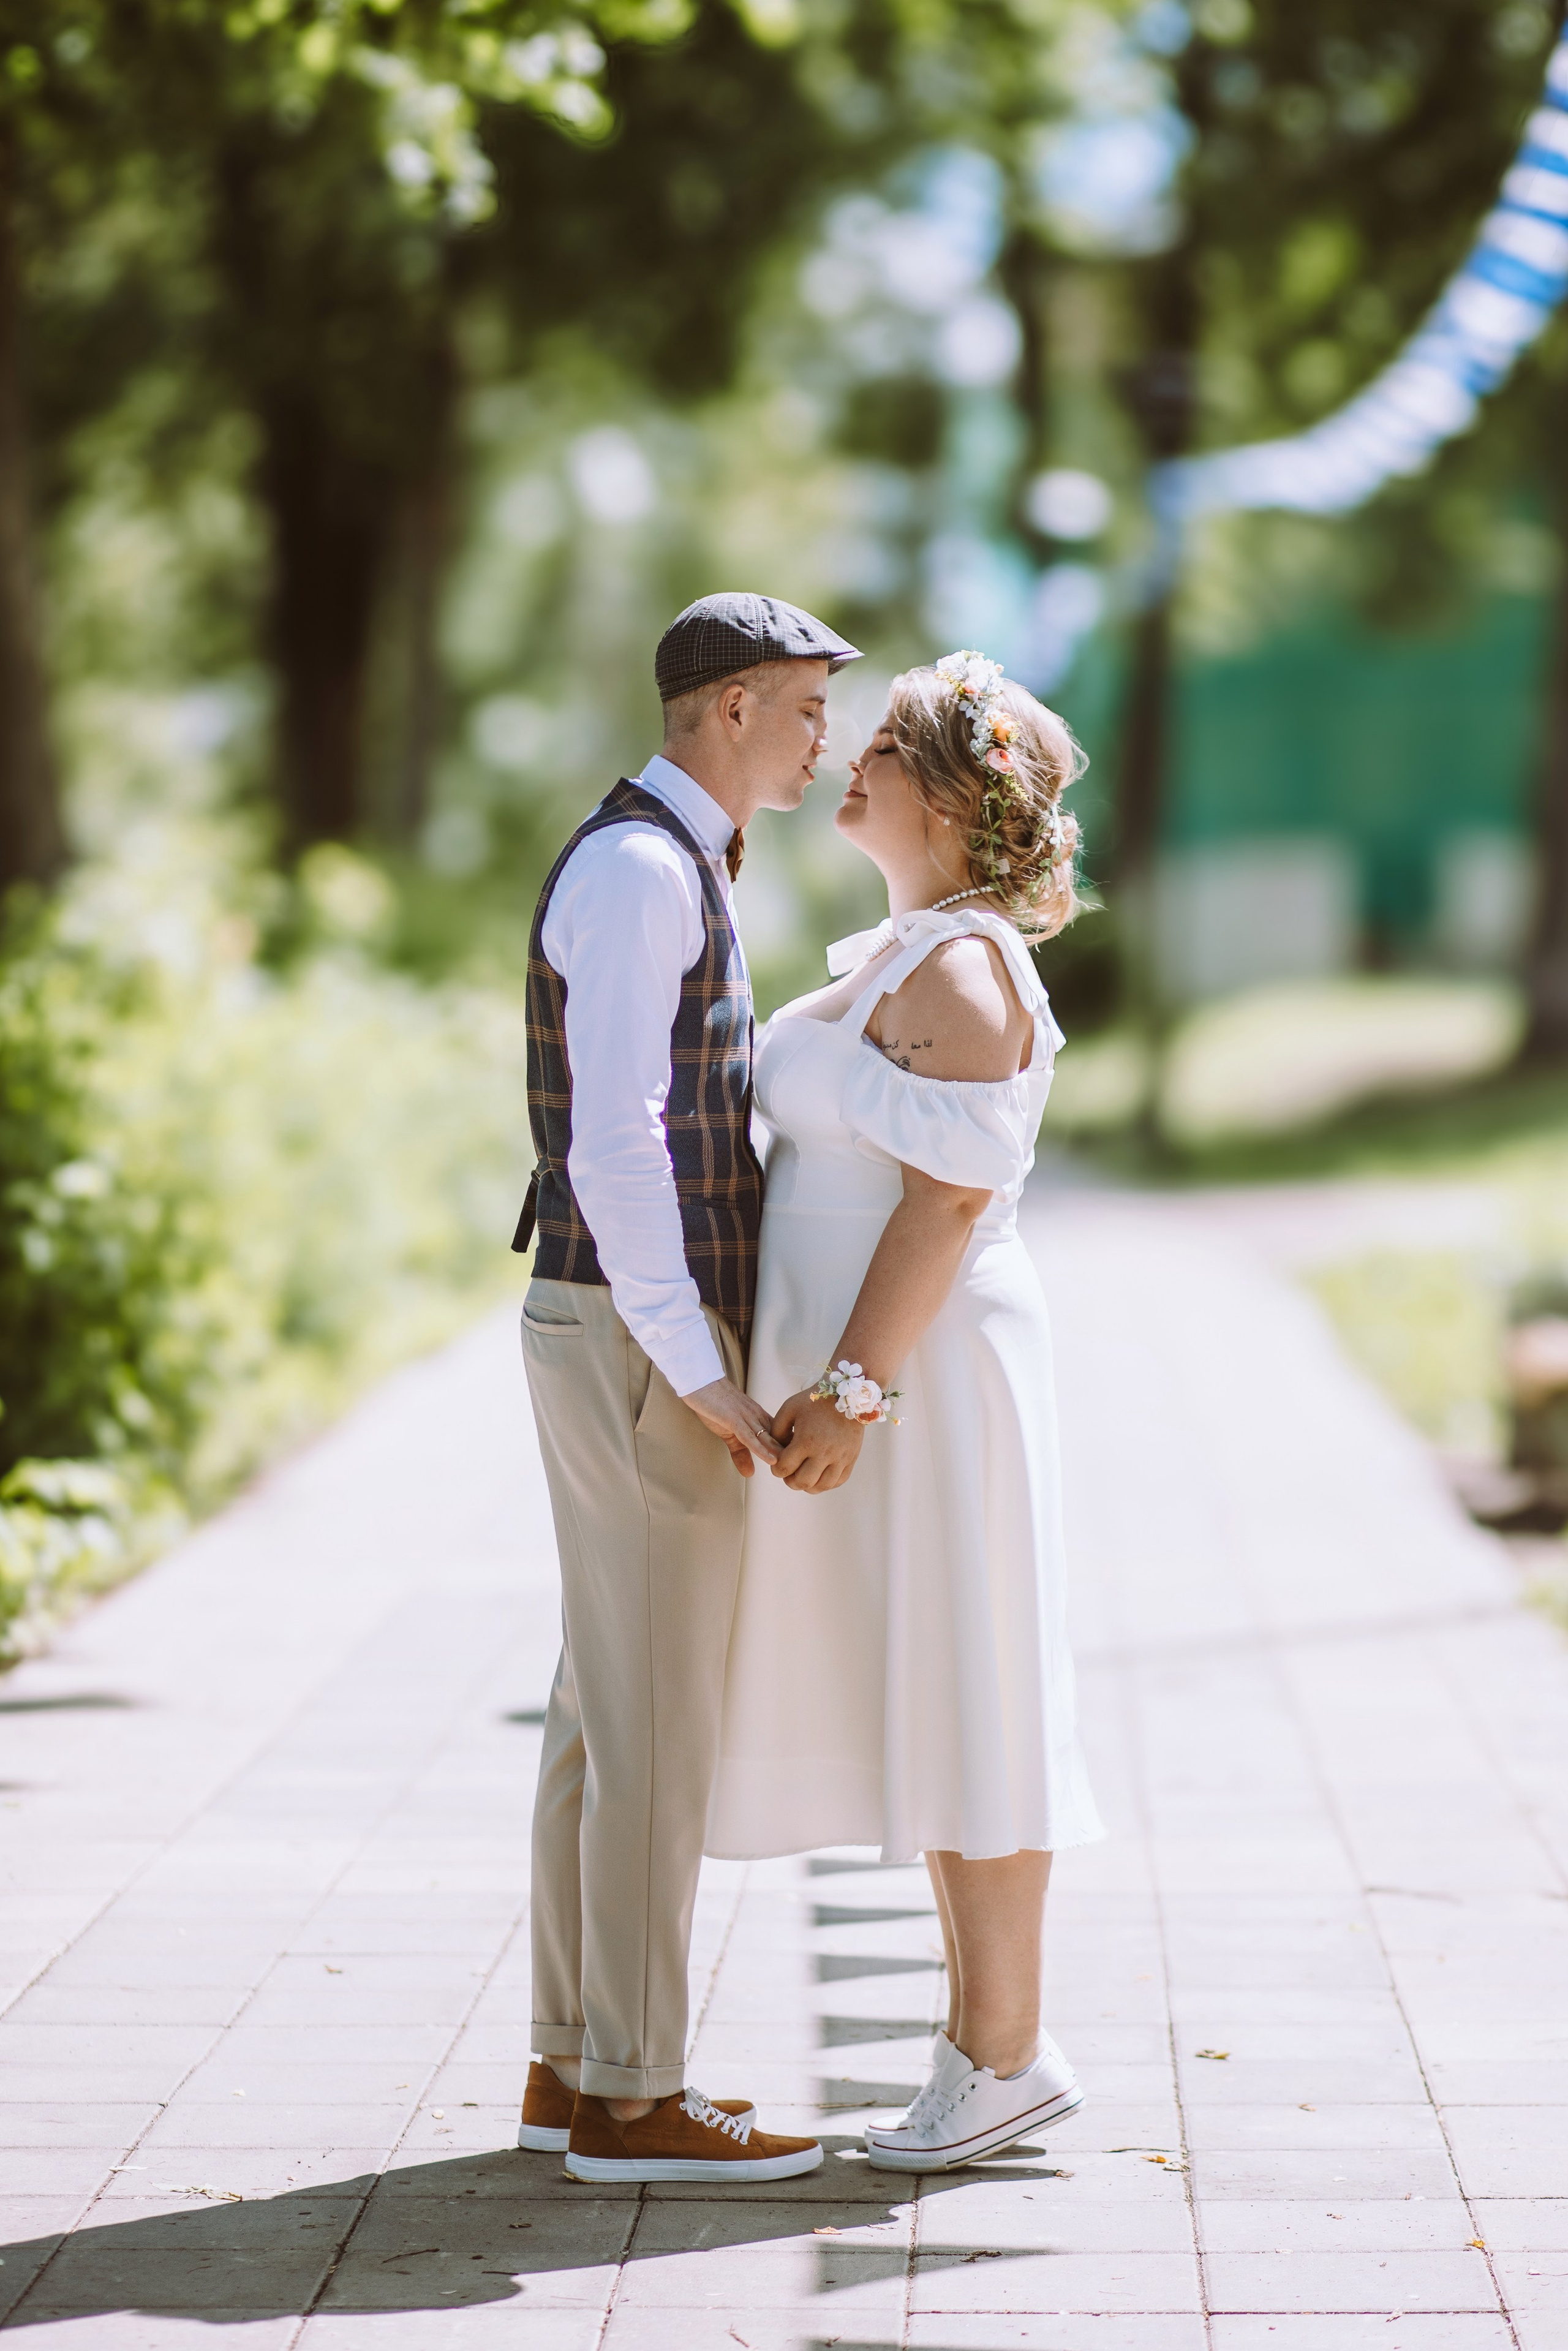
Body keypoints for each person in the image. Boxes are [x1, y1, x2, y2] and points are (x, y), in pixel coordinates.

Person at [706, 649, 1105, 2172]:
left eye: (881, 747)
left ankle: (1001, 2048)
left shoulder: (965, 967)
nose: (848, 764)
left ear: (950, 794)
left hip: (926, 1380)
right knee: (934, 1689)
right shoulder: (895, 952)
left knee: (975, 1684)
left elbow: (945, 1201)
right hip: (877, 1376)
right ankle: (985, 2047)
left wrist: (851, 1392)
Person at [511, 592, 862, 2185]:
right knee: (654, 1716)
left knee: (603, 1703)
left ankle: (574, 2056)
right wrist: (702, 1369)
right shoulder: (647, 870)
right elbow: (617, 1138)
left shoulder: (668, 861)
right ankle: (636, 2098)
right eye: (803, 707)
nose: (823, 739)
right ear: (727, 708)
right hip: (635, 1331)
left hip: (611, 1321)